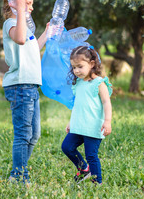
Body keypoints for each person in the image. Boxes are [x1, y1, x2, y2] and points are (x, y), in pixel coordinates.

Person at [1, 0, 48, 183]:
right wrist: (20, 10)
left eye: (30, 4)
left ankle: (17, 171)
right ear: (13, 3)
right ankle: (19, 176)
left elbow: (31, 48)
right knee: (23, 133)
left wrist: (46, 33)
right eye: (27, 3)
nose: (31, 8)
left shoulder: (25, 26)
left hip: (30, 85)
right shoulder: (11, 23)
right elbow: (20, 39)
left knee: (34, 134)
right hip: (20, 85)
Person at [61, 45, 113, 184]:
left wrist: (107, 121)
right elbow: (78, 104)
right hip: (79, 125)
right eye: (74, 67)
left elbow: (106, 103)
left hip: (93, 126)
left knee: (91, 155)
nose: (76, 71)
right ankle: (84, 168)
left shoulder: (99, 83)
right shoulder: (78, 83)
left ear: (91, 64)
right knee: (67, 147)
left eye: (80, 66)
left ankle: (97, 182)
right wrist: (71, 121)